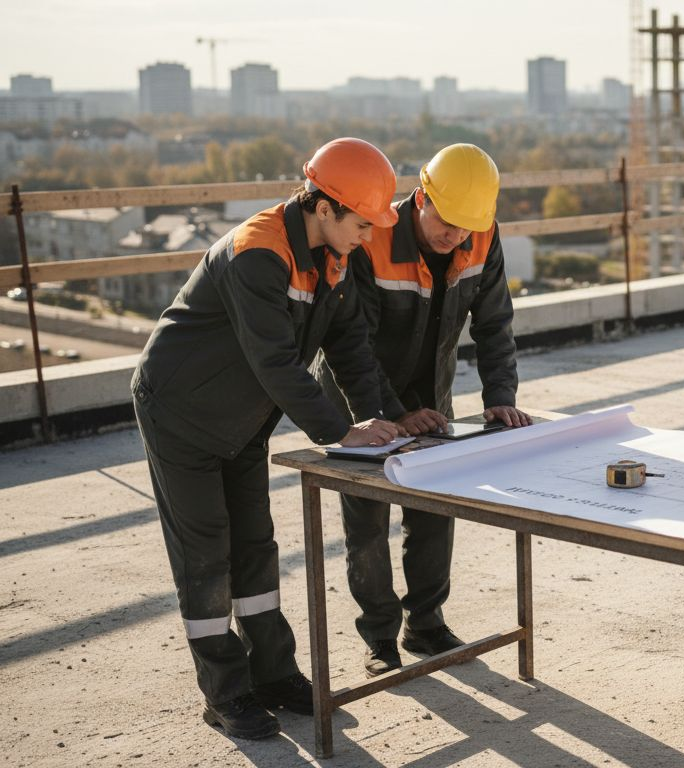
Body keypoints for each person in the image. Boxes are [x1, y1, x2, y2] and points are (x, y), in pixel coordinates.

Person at [132, 137, 408, 740]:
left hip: (243, 418)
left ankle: (274, 675)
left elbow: (350, 347)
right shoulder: (258, 252)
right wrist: (342, 432)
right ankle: (225, 693)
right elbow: (277, 364)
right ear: (326, 206)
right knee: (206, 554)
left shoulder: (334, 256)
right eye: (362, 222)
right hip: (181, 411)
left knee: (256, 545)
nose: (368, 235)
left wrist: (385, 418)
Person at [318, 143, 531, 678]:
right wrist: (391, 412)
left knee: (436, 508)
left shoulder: (482, 233)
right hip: (358, 392)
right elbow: (353, 343)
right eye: (447, 222)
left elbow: (494, 322)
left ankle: (427, 622)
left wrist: (499, 397)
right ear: (422, 197)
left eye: (466, 227)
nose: (455, 235)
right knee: (367, 517)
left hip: (430, 393)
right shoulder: (374, 235)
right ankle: (380, 638)